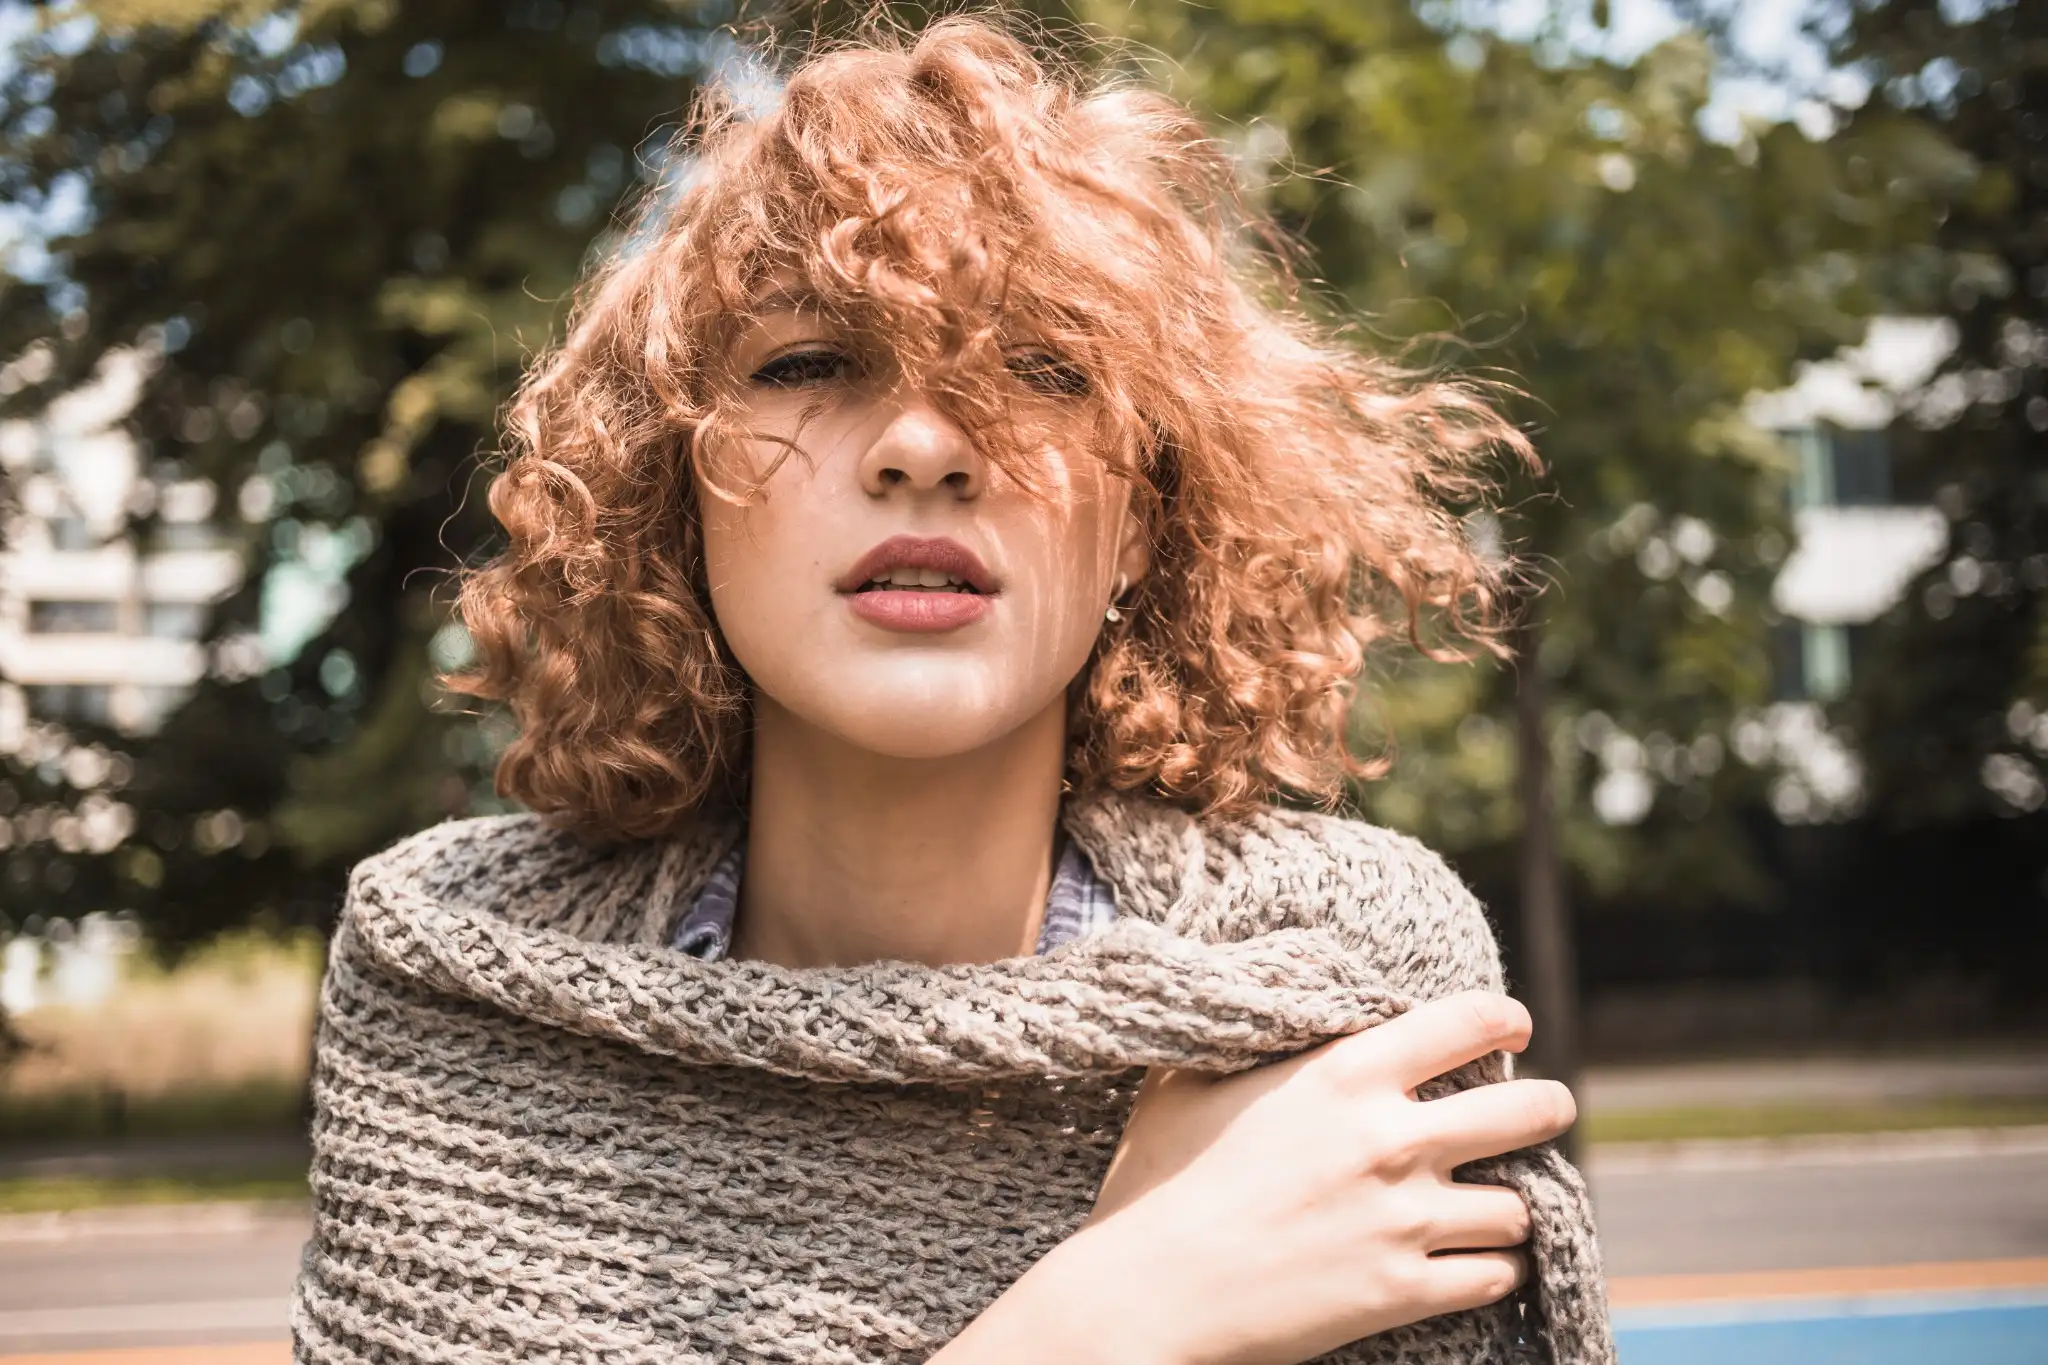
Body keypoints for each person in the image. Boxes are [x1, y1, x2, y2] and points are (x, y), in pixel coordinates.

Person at [290, 11, 1610, 1364]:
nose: (924, 446)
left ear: (1147, 515)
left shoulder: (1339, 973)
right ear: (676, 493)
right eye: (810, 364)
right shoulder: (451, 978)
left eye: (1040, 370)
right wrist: (1113, 1317)